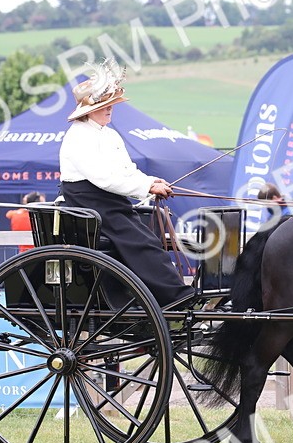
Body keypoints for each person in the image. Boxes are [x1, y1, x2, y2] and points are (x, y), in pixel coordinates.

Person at [59, 59, 194, 308]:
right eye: (104, 106)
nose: (110, 110)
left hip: (108, 200)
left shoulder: (109, 135)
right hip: (89, 202)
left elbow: (125, 171)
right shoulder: (78, 137)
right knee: (140, 241)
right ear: (89, 110)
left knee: (151, 235)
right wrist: (147, 188)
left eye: (111, 105)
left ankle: (158, 295)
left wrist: (151, 181)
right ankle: (174, 297)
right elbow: (104, 177)